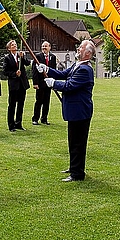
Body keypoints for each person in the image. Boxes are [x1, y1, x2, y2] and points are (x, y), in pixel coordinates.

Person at [39, 40, 95, 182]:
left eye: (81, 48)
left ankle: (77, 173)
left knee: (78, 143)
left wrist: (53, 83)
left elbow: (70, 85)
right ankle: (74, 167)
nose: (78, 49)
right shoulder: (78, 65)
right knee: (73, 141)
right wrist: (46, 69)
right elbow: (62, 74)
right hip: (75, 110)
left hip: (80, 111)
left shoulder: (85, 70)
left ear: (87, 54)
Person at [3, 40, 31, 132]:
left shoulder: (20, 55)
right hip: (14, 84)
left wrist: (23, 57)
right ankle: (11, 125)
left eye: (15, 44)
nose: (14, 46)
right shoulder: (7, 58)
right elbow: (5, 71)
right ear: (9, 48)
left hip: (22, 84)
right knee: (12, 105)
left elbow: (27, 63)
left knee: (21, 104)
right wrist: (14, 74)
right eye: (12, 45)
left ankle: (18, 123)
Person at [32, 41, 57, 125]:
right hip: (40, 83)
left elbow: (54, 70)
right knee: (39, 101)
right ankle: (35, 119)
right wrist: (35, 83)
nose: (44, 48)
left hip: (49, 83)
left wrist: (54, 82)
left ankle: (44, 118)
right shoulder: (38, 57)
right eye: (43, 46)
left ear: (49, 47)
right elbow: (34, 70)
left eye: (46, 46)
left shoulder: (53, 57)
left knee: (47, 101)